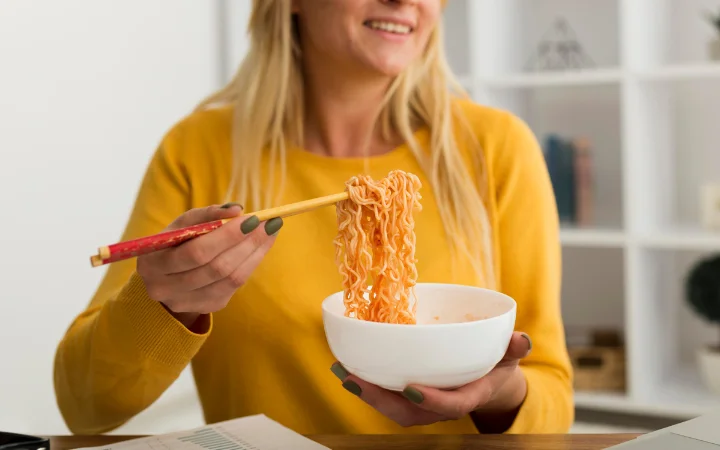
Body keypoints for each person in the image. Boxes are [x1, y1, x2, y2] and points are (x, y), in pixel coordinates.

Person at [53, 0, 574, 436]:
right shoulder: (199, 150)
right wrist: (162, 304)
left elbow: (552, 394)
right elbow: (87, 408)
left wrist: (500, 392)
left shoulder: (494, 149)